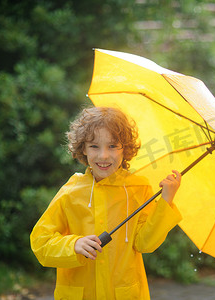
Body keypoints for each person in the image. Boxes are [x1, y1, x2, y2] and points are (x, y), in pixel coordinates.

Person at [30, 106, 182, 300]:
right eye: (94, 146)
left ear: (125, 148)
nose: (103, 156)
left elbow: (145, 243)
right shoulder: (71, 192)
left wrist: (166, 201)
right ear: (83, 148)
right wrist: (73, 245)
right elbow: (41, 243)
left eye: (112, 146)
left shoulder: (138, 188)